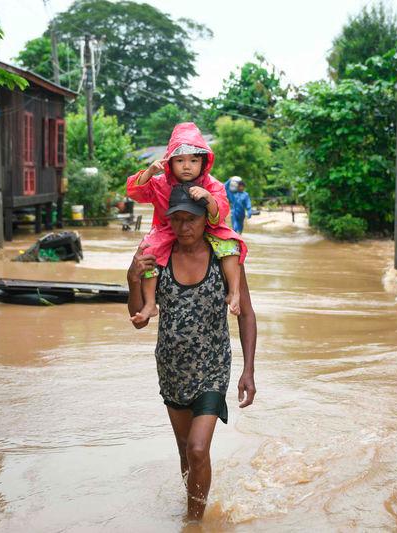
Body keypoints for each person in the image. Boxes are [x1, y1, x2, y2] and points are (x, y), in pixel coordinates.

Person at [127, 185, 257, 521]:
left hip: (213, 367)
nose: (185, 227)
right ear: (168, 221)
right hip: (171, 368)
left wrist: (249, 371)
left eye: (192, 220)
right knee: (186, 452)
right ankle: (192, 505)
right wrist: (132, 280)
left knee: (199, 448)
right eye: (178, 220)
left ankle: (194, 523)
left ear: (205, 221)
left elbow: (246, 314)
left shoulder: (224, 258)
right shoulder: (159, 259)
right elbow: (140, 319)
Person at [126, 123, 247, 322]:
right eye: (180, 160)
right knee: (148, 251)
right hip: (166, 230)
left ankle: (234, 291)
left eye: (193, 160)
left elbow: (221, 211)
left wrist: (207, 197)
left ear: (203, 162)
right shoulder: (160, 182)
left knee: (231, 244)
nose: (186, 166)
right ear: (170, 162)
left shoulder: (212, 184)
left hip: (207, 229)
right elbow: (135, 193)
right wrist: (148, 172)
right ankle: (149, 303)